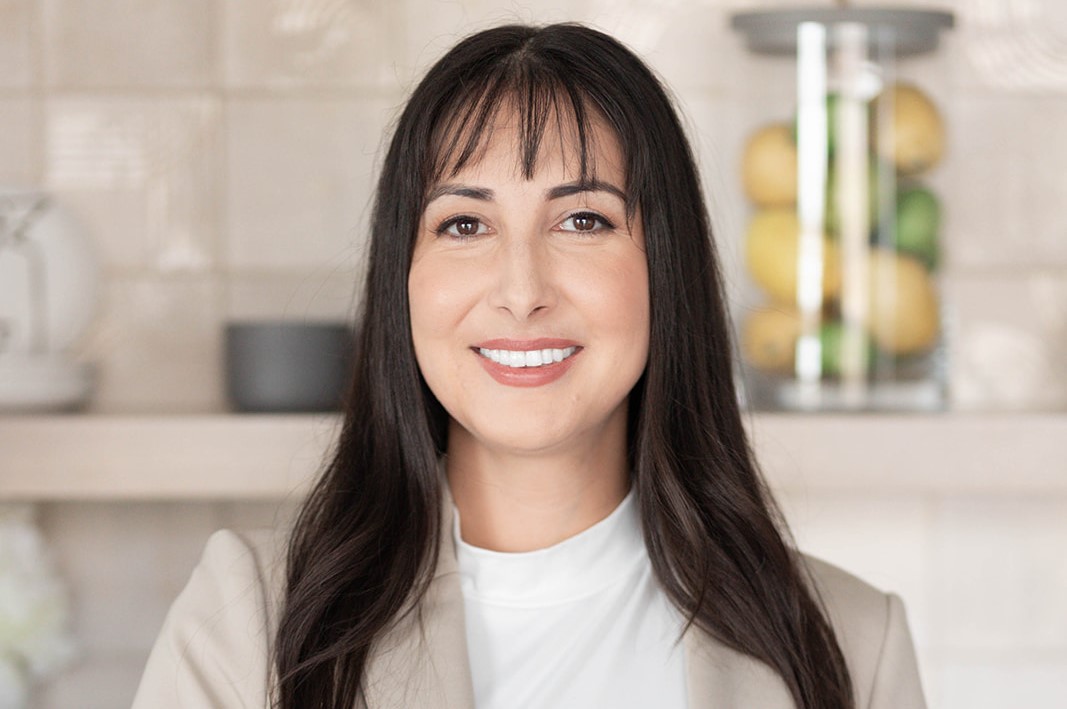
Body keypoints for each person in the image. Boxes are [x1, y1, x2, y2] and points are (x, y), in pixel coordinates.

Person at [132, 23, 926, 709]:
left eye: (582, 219)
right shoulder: (253, 621)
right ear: (400, 278)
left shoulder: (850, 642)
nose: (521, 291)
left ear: (664, 267)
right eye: (464, 223)